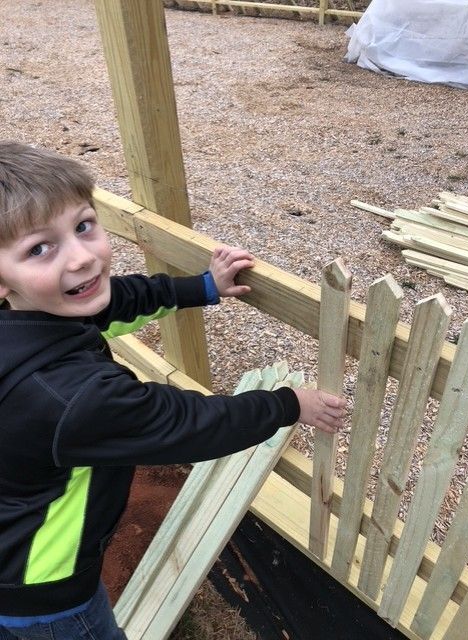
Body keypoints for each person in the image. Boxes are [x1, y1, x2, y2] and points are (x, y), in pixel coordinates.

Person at [0, 141, 346, 639]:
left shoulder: (32, 309)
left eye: (82, 225)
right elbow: (188, 424)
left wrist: (204, 287)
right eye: (39, 247)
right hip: (43, 584)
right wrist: (288, 403)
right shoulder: (72, 398)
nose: (81, 258)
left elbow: (116, 298)